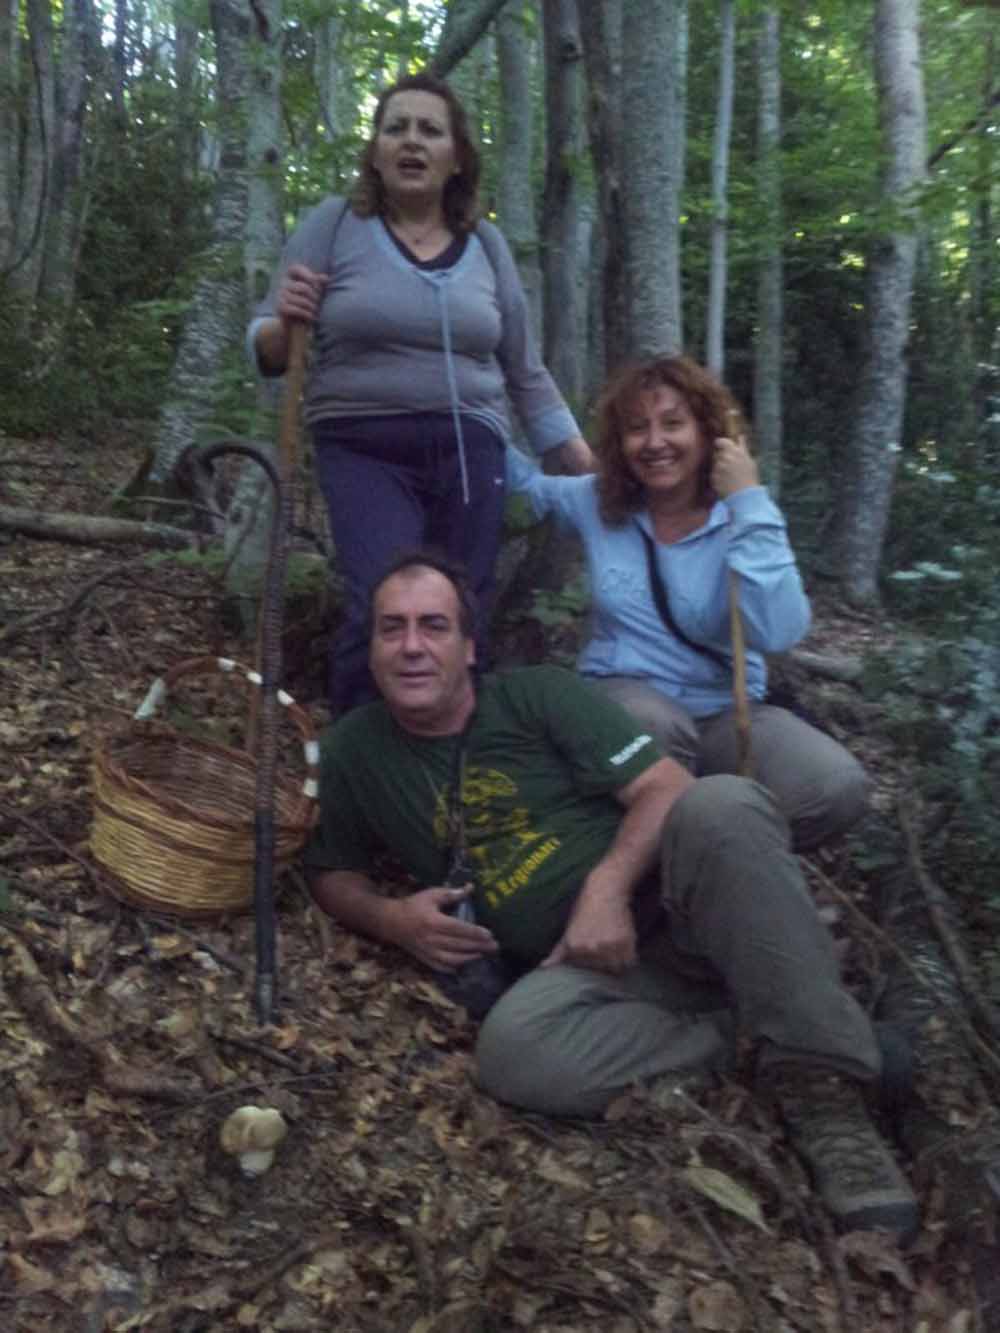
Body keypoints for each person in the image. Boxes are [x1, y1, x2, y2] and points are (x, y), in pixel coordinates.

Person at [304, 550, 919, 1244]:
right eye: (392, 628)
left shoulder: (536, 695)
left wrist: (607, 887)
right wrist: (392, 918)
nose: (412, 646)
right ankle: (774, 1035)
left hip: (682, 912)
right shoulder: (353, 750)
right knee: (514, 1053)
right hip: (588, 977)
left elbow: (665, 786)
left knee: (724, 804)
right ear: (371, 646)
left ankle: (826, 1092)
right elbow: (331, 873)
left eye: (434, 626)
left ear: (469, 647)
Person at [248, 73, 592, 715]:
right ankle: (357, 755)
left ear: (456, 157)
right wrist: (286, 321)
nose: (411, 141)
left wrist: (587, 465)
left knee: (461, 609)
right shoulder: (334, 225)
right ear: (376, 151)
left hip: (472, 450)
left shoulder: (485, 245)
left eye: (430, 130)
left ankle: (451, 757)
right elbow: (268, 347)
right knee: (383, 600)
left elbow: (525, 369)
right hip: (362, 444)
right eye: (396, 128)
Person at [506, 355, 870, 852]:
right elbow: (526, 488)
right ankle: (656, 864)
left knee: (834, 785)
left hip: (724, 711)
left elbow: (780, 632)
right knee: (654, 726)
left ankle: (701, 855)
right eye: (637, 428)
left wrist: (748, 500)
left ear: (707, 433)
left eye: (673, 423)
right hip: (628, 699)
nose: (655, 442)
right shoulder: (597, 502)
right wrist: (459, 411)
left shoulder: (741, 516)